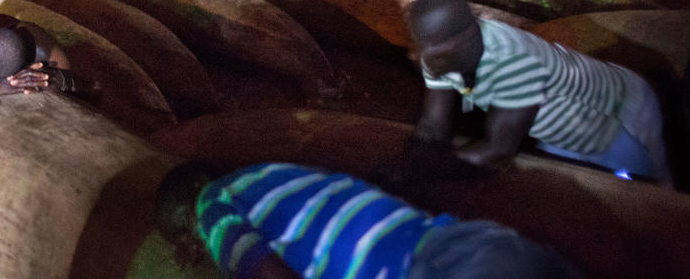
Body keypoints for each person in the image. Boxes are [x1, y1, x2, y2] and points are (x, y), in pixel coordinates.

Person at [408, 0, 671, 181]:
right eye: (421, 44)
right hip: (558, 124)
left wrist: (426, 171)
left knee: (649, 189)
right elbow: (433, 127)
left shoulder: (513, 61)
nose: (419, 55)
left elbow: (497, 150)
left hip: (617, 114)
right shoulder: (438, 57)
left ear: (462, 40)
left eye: (431, 47)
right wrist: (410, 163)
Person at [155, 161, 579, 279]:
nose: (191, 252)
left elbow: (266, 274)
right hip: (479, 242)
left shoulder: (210, 203)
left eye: (181, 239)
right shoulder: (277, 172)